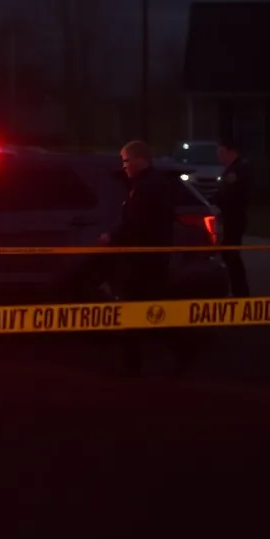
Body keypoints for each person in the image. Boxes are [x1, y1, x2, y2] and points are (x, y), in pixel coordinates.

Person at [100, 140, 176, 376]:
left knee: (134, 310)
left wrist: (111, 236)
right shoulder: (147, 183)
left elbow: (137, 223)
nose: (124, 166)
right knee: (150, 309)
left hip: (143, 260)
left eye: (126, 161)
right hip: (146, 259)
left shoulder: (148, 187)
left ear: (140, 159)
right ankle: (174, 351)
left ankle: (132, 366)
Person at [215, 137, 251, 298]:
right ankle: (239, 292)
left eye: (222, 153)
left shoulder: (236, 171)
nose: (219, 157)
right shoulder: (232, 170)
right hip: (232, 219)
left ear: (231, 152)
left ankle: (240, 294)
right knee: (230, 256)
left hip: (233, 220)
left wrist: (215, 203)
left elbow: (229, 196)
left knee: (232, 257)